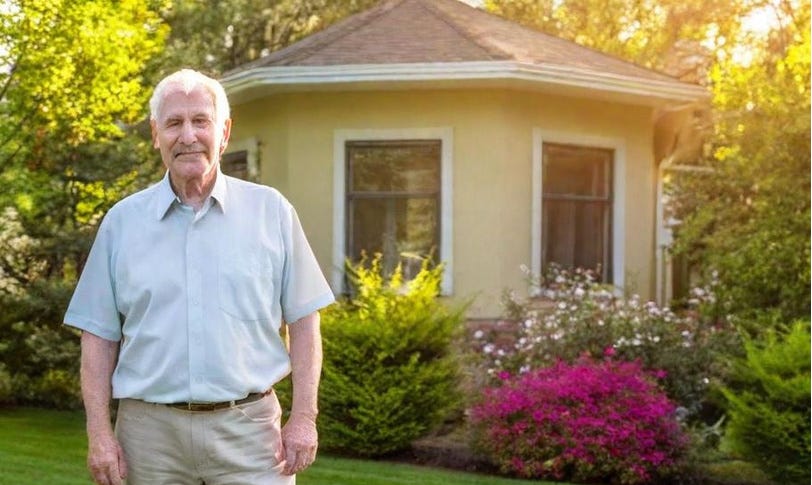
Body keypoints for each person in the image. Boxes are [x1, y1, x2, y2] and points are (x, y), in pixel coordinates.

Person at [63, 69, 335, 485]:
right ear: (156, 134)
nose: (187, 135)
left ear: (224, 132)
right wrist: (99, 434)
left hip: (252, 436)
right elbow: (98, 336)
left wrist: (304, 419)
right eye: (174, 123)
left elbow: (304, 322)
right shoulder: (122, 223)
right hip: (148, 440)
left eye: (200, 121)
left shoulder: (272, 212)